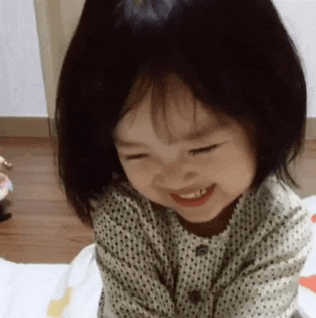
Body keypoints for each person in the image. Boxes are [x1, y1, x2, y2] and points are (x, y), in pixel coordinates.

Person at [54, 0, 314, 317]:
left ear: (263, 121)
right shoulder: (124, 218)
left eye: (201, 148)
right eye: (137, 154)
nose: (175, 177)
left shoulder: (281, 222)